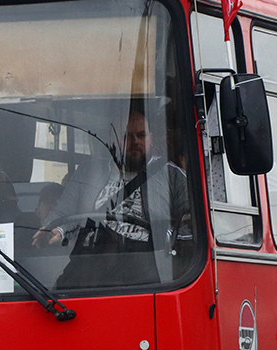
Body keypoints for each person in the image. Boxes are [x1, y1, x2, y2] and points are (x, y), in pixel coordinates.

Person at [33, 107, 192, 287]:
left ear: (151, 138)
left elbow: (190, 222)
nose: (135, 142)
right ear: (111, 139)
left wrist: (167, 236)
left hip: (145, 266)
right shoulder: (87, 171)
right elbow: (64, 211)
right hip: (91, 262)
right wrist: (56, 230)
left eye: (142, 135)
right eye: (126, 136)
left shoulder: (173, 176)